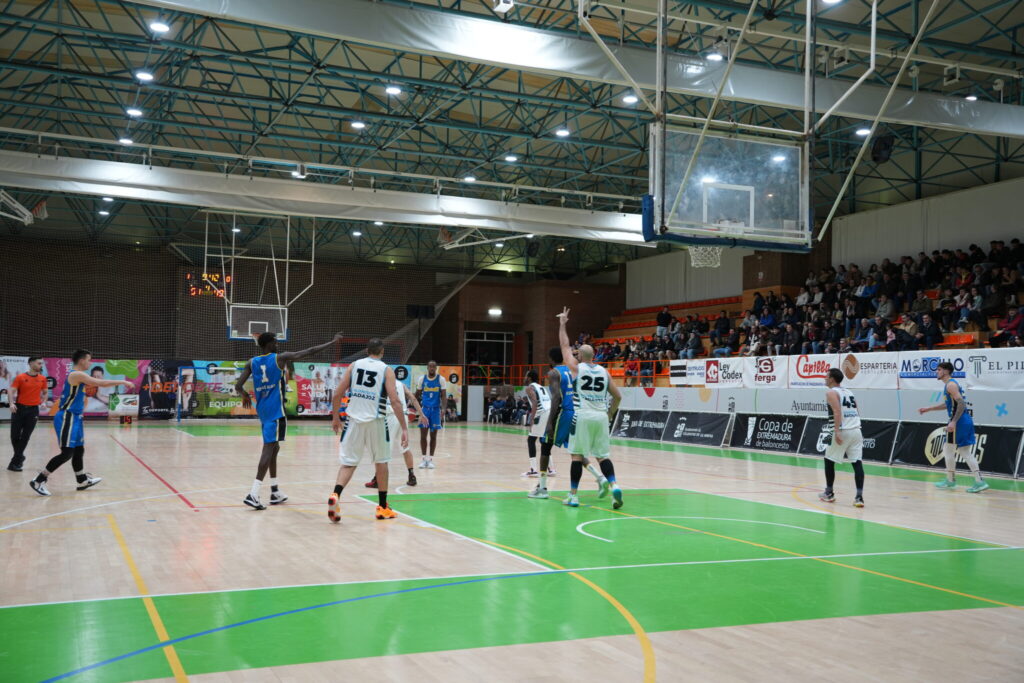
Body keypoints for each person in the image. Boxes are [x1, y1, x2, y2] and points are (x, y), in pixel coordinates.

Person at [235, 331, 344, 510]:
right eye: (275, 342)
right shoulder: (279, 358)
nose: (277, 344)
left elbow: (238, 386)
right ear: (269, 344)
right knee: (269, 448)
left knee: (274, 447)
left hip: (263, 410)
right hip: (276, 411)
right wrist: (332, 342)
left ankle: (275, 491)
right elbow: (309, 351)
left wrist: (245, 395)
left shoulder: (251, 362)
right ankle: (253, 493)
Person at [29, 350, 133, 496]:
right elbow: (100, 383)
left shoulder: (79, 376)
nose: (90, 363)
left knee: (79, 449)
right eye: (89, 360)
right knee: (67, 453)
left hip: (76, 417)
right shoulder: (75, 374)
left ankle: (82, 480)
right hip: (67, 416)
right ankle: (39, 480)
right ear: (82, 360)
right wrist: (123, 381)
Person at [328, 338, 409, 522]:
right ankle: (382, 507)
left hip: (353, 421)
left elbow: (338, 393)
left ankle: (336, 495)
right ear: (382, 352)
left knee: (348, 463)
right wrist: (404, 428)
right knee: (381, 462)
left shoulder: (354, 365)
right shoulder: (386, 369)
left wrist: (335, 417)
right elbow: (395, 401)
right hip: (376, 421)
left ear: (367, 351)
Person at [556, 308, 624, 509]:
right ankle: (614, 485)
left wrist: (562, 324)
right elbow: (618, 396)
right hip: (601, 416)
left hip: (582, 415)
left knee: (577, 456)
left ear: (579, 355)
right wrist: (610, 413)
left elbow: (564, 345)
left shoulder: (577, 368)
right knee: (603, 455)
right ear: (594, 356)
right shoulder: (604, 371)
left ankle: (573, 495)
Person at [528, 340, 603, 500]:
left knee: (545, 446)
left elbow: (556, 398)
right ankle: (599, 477)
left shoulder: (554, 373)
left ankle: (542, 488)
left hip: (562, 413)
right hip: (575, 411)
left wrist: (549, 422)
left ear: (550, 359)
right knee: (576, 452)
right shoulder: (571, 370)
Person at [918, 362, 988, 493]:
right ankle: (953, 480)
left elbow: (961, 404)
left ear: (945, 371)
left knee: (960, 451)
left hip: (960, 421)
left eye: (938, 370)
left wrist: (954, 421)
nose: (936, 372)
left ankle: (976, 481)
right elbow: (949, 404)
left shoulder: (951, 385)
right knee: (950, 450)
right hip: (962, 420)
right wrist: (929, 408)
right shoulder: (950, 385)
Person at [365, 381, 428, 489]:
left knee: (383, 450)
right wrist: (421, 414)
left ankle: (377, 479)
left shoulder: (383, 382)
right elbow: (413, 398)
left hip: (391, 416)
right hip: (403, 417)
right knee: (405, 448)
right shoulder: (401, 384)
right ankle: (412, 476)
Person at [818, 368, 865, 507]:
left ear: (832, 379)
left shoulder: (831, 392)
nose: (825, 378)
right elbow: (857, 410)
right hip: (856, 429)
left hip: (843, 430)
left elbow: (837, 411)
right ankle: (859, 497)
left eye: (826, 376)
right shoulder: (849, 392)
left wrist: (837, 431)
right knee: (857, 463)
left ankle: (829, 493)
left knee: (828, 460)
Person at [6, 357, 47, 472]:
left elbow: (45, 392)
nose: (41, 365)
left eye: (41, 364)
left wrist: (43, 401)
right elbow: (11, 390)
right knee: (14, 436)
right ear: (31, 363)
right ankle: (20, 456)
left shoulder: (42, 379)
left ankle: (15, 462)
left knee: (25, 437)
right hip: (18, 409)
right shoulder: (21, 377)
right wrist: (11, 403)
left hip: (33, 411)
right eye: (39, 363)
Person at [415, 361, 446, 469]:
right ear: (427, 368)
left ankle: (430, 460)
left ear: (436, 368)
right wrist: (414, 406)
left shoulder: (441, 379)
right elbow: (417, 395)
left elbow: (443, 396)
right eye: (430, 366)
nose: (432, 368)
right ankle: (423, 459)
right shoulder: (422, 379)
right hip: (425, 410)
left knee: (433, 436)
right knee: (423, 436)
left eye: (434, 366)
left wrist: (444, 408)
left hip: (436, 411)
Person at [522, 369, 551, 477]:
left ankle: (533, 470)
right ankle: (551, 469)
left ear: (529, 378)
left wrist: (532, 418)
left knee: (531, 440)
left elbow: (534, 402)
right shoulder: (541, 387)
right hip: (549, 412)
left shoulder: (530, 388)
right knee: (544, 440)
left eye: (525, 375)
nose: (524, 378)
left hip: (541, 413)